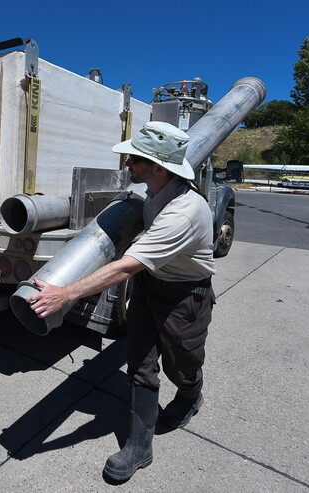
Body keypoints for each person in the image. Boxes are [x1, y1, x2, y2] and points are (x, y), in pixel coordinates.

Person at [27, 121, 215, 481]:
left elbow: (125, 267)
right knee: (140, 361)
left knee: (181, 363)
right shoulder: (154, 190)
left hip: (185, 296)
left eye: (133, 158)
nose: (127, 163)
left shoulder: (185, 212)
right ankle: (139, 447)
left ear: (158, 167)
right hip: (150, 288)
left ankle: (190, 395)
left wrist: (65, 294)